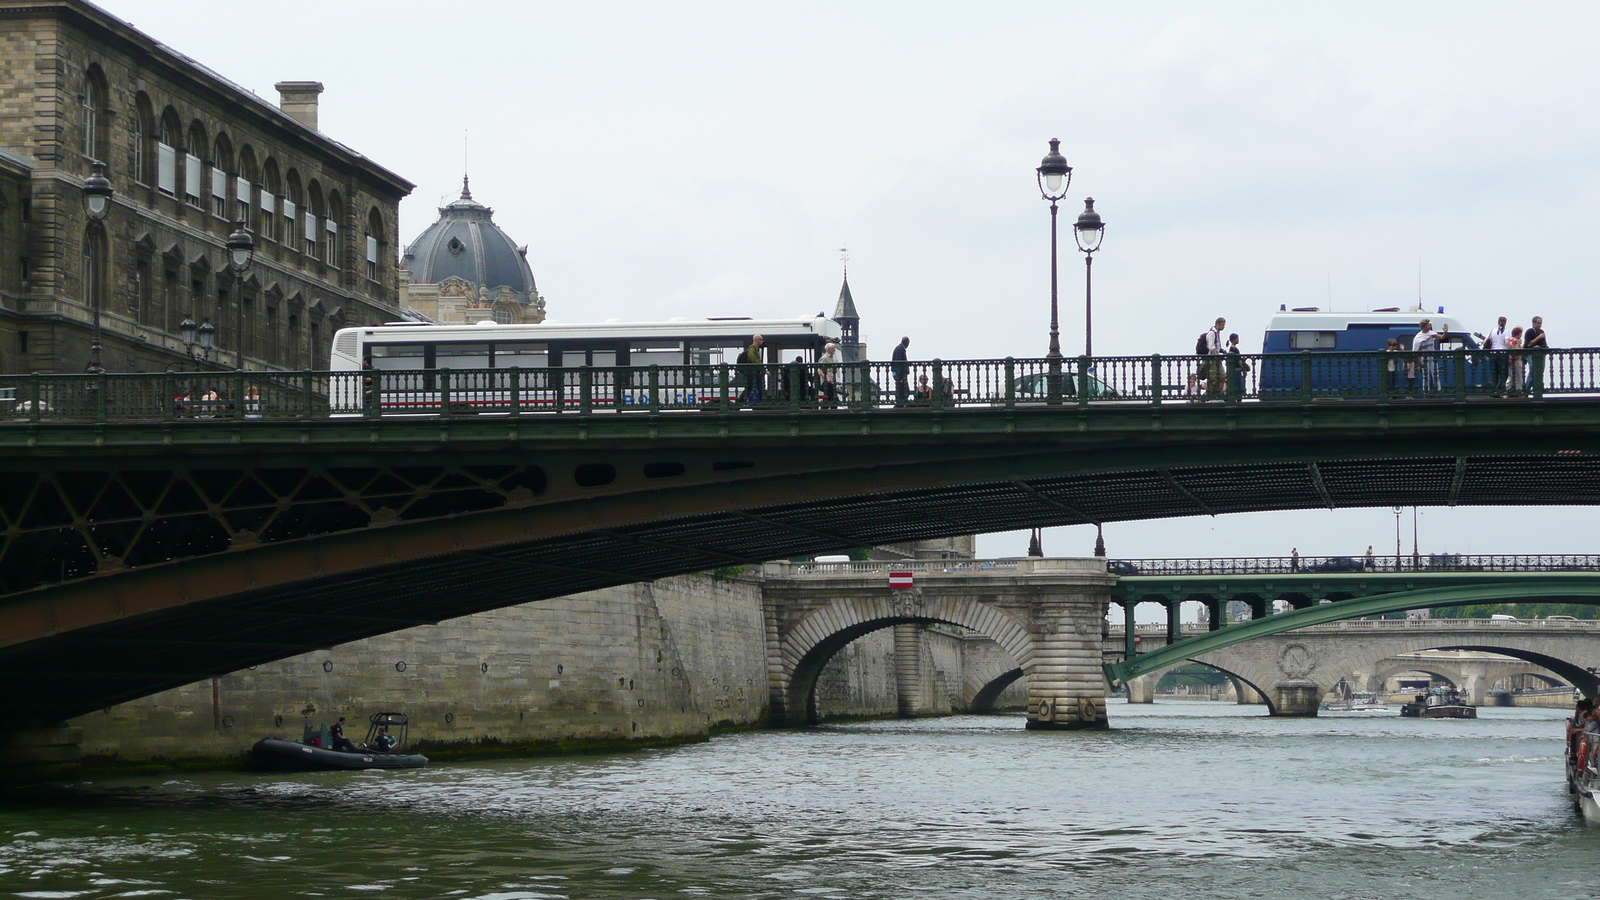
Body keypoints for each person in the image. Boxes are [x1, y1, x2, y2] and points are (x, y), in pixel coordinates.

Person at [1483, 316, 1510, 396]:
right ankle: (1499, 390)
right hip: (1502, 354)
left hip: (1493, 354)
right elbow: (1507, 343)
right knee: (1504, 373)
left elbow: (1485, 341)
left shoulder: (1492, 331)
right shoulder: (1506, 331)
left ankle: (1494, 390)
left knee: (1495, 373)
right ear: (1505, 322)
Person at [1411, 319, 1439, 395]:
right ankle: (1426, 392)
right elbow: (1416, 351)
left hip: (1432, 358)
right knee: (1426, 376)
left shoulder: (1431, 333)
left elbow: (1441, 337)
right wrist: (1420, 361)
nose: (1430, 326)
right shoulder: (1418, 337)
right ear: (1424, 327)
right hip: (1424, 358)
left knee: (1435, 374)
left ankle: (1438, 391)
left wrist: (1445, 332)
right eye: (1428, 325)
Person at [1524, 315, 1547, 396]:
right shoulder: (1529, 332)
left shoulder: (1541, 332)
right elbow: (1529, 344)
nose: (1540, 325)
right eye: (1538, 323)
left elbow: (1544, 344)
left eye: (1541, 323)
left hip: (1541, 355)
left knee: (1540, 371)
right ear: (1533, 323)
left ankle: (1538, 387)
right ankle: (1526, 389)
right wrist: (1539, 337)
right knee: (1533, 370)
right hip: (1532, 354)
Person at [1203, 317, 1226, 400]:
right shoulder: (1212, 333)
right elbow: (1211, 347)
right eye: (1222, 325)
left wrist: (1223, 351)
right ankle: (1211, 395)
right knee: (1215, 377)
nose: (1223, 327)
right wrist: (1217, 357)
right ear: (1218, 324)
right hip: (1213, 360)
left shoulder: (1216, 333)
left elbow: (1217, 346)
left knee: (1220, 377)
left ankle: (1217, 394)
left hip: (1215, 358)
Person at [739, 335, 765, 405]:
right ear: (757, 340)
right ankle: (740, 401)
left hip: (753, 372)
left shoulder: (755, 349)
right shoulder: (752, 349)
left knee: (753, 387)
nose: (762, 341)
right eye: (761, 339)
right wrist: (762, 368)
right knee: (752, 387)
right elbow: (754, 360)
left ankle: (740, 401)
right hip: (752, 373)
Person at [1224, 332, 1249, 401]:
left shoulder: (1231, 349)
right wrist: (1244, 369)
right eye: (1237, 339)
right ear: (1234, 340)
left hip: (1233, 369)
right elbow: (1239, 360)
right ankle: (1238, 399)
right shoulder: (1234, 349)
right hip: (1236, 370)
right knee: (1238, 386)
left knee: (1234, 385)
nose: (1238, 340)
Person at [817, 342, 841, 409]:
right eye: (833, 349)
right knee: (832, 397)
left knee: (829, 397)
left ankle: (828, 409)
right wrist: (826, 378)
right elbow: (819, 369)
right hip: (827, 381)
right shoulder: (824, 358)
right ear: (829, 349)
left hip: (832, 381)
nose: (834, 350)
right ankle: (829, 410)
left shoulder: (833, 358)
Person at [891, 337, 911, 406]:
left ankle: (901, 403)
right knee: (903, 390)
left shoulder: (898, 348)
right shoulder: (900, 349)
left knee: (901, 389)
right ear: (906, 343)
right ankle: (901, 404)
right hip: (900, 374)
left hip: (898, 373)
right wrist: (902, 375)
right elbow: (900, 363)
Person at [1507, 326, 1526, 395]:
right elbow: (1516, 352)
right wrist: (1521, 345)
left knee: (1511, 376)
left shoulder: (1510, 340)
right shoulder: (1515, 341)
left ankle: (1507, 390)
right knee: (1518, 377)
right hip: (1516, 362)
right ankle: (1519, 391)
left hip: (1510, 361)